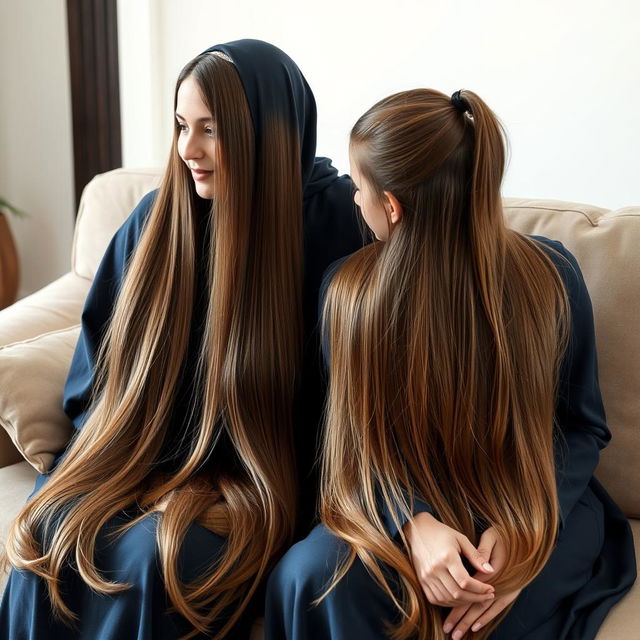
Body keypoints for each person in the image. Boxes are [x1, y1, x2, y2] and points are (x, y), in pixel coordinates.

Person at [0, 39, 363, 639]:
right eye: (179, 125)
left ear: (264, 134)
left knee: (154, 558)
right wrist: (144, 478)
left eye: (210, 130)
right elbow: (100, 378)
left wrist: (207, 488)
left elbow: (348, 412)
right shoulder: (156, 220)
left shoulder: (338, 229)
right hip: (142, 459)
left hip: (265, 482)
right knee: (47, 534)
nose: (187, 151)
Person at [265, 89, 636, 640]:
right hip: (402, 502)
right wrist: (413, 525)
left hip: (535, 504)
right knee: (310, 576)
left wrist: (525, 538)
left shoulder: (551, 274)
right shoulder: (348, 292)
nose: (354, 202)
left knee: (482, 617)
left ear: (391, 205)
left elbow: (581, 426)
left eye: (358, 188)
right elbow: (350, 447)